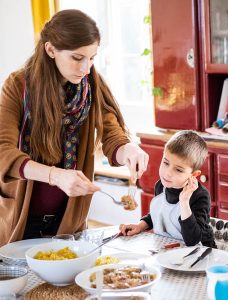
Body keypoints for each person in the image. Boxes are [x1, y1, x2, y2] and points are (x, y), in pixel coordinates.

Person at [0, 9, 149, 246]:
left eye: (92, 58)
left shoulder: (90, 86)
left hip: (68, 222)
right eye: (77, 58)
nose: (86, 68)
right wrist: (54, 176)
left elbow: (112, 134)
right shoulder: (18, 86)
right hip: (20, 220)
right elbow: (3, 152)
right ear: (51, 50)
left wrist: (129, 150)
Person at [119, 130, 216, 248]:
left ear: (193, 175)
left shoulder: (200, 197)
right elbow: (158, 215)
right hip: (170, 250)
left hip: (200, 254)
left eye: (178, 170)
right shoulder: (161, 186)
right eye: (165, 163)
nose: (168, 173)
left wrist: (184, 202)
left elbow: (192, 240)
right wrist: (140, 226)